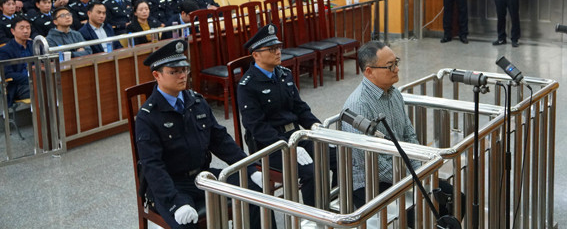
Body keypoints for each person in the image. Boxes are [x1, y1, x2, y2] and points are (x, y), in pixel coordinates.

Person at [135, 39, 264, 228]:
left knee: (255, 191)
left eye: (184, 69)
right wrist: (175, 202)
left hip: (203, 177)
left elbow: (221, 140)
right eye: (174, 72)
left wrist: (249, 167)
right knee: (186, 221)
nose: (182, 76)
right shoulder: (148, 116)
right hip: (172, 184)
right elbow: (152, 166)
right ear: (157, 75)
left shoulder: (196, 102)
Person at [341, 41, 464, 224]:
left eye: (396, 62)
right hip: (371, 183)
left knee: (457, 199)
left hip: (404, 173)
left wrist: (419, 170)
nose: (397, 69)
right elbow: (370, 163)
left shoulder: (394, 94)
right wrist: (411, 178)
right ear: (369, 72)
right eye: (390, 66)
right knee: (422, 216)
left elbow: (409, 135)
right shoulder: (358, 105)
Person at [237, 24, 337, 207]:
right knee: (311, 171)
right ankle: (313, 216)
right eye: (272, 49)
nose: (278, 52)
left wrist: (316, 126)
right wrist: (286, 146)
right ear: (256, 55)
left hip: (296, 136)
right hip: (270, 146)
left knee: (338, 156)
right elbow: (257, 127)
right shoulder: (248, 85)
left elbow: (300, 108)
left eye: (278, 47)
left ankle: (335, 205)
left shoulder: (285, 74)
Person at [0, 17, 33, 107]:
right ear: (13, 31)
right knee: (44, 89)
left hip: (39, 80)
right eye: (21, 28)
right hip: (20, 86)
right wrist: (31, 78)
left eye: (28, 28)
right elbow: (7, 74)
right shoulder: (5, 50)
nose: (25, 31)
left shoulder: (34, 45)